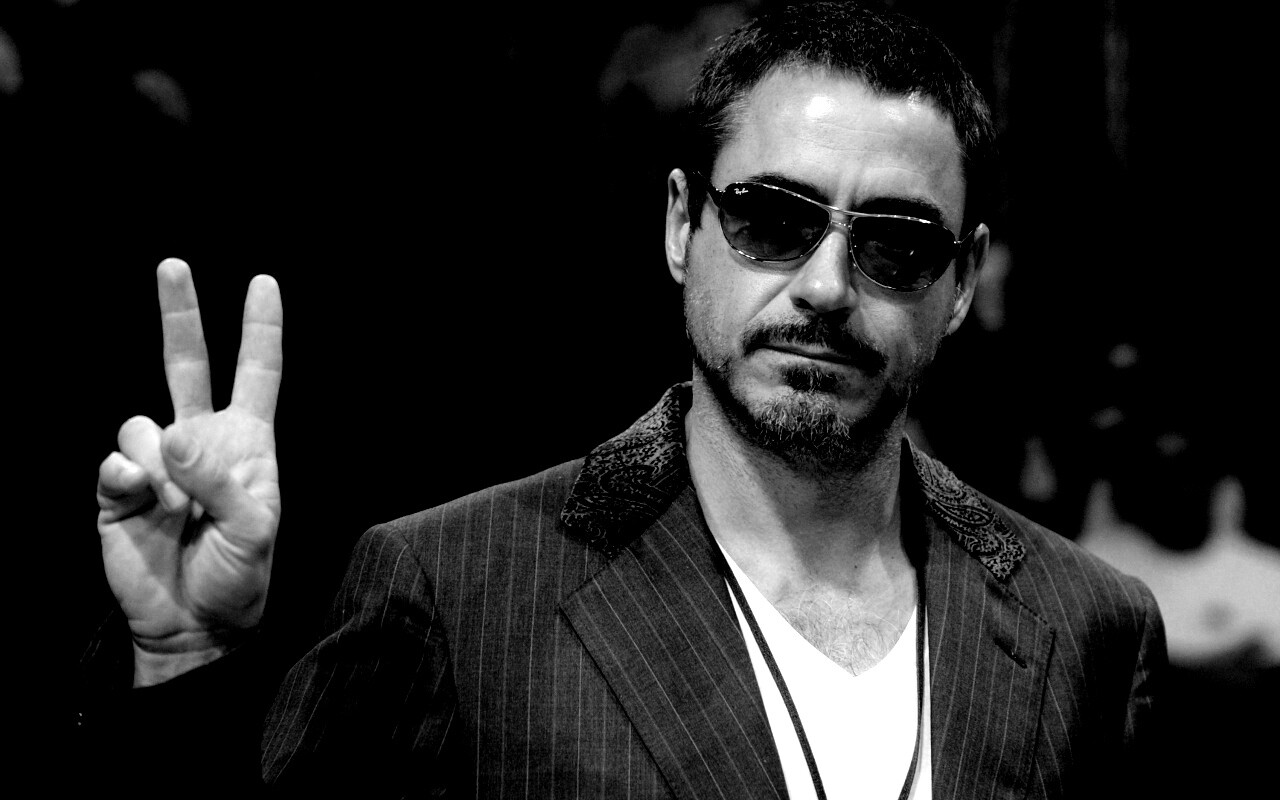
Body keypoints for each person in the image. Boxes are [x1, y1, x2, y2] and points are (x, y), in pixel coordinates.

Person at [77, 3, 1165, 797]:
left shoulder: (1089, 626)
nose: (827, 286)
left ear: (962, 281)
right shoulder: (456, 591)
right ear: (682, 226)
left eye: (895, 244)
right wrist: (182, 663)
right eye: (773, 220)